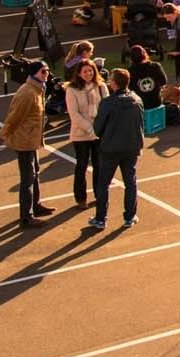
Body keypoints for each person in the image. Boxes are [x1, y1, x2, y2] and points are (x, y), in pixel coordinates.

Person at [88, 66, 144, 230]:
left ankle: (101, 218)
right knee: (130, 182)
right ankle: (130, 216)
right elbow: (140, 124)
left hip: (110, 148)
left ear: (114, 83)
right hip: (131, 147)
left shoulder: (108, 103)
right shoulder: (136, 99)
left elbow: (98, 128)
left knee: (103, 183)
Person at [0, 59, 53, 229]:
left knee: (35, 172)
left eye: (47, 71)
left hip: (32, 139)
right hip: (24, 140)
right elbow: (14, 116)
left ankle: (35, 206)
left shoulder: (38, 88)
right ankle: (26, 216)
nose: (47, 74)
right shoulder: (28, 93)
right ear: (34, 73)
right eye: (43, 72)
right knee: (28, 177)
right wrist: (5, 133)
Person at [65, 55, 108, 208]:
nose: (88, 74)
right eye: (85, 71)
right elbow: (74, 114)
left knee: (99, 165)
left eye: (90, 71)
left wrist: (100, 128)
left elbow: (106, 107)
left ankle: (99, 194)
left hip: (98, 133)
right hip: (80, 134)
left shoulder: (101, 87)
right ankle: (80, 198)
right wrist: (90, 128)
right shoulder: (71, 90)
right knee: (81, 165)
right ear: (78, 73)